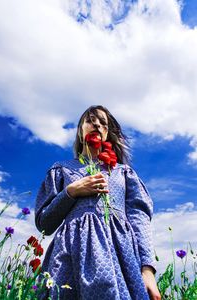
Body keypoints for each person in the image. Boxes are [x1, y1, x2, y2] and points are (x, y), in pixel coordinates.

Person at [35, 105, 161, 300]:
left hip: (120, 258)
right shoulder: (61, 170)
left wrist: (147, 270)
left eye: (103, 123)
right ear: (79, 130)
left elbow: (140, 220)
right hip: (70, 257)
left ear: (108, 133)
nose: (97, 125)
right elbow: (44, 223)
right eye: (90, 120)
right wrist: (71, 192)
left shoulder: (123, 173)